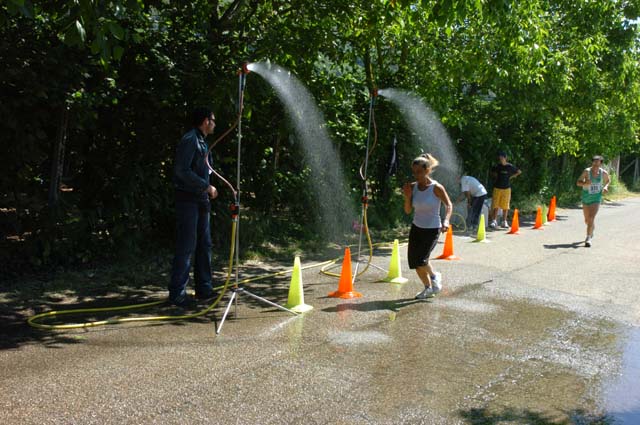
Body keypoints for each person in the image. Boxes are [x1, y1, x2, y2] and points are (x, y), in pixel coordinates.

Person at [168, 107, 219, 307]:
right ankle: (177, 294)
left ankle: (204, 289)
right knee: (187, 245)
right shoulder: (190, 140)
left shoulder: (202, 141)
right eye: (213, 120)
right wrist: (205, 186)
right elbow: (182, 170)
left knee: (204, 245)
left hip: (200, 201)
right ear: (206, 121)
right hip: (188, 200)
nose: (215, 124)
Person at [402, 154, 453, 299]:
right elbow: (407, 210)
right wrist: (407, 196)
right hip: (416, 227)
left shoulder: (436, 188)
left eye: (419, 172)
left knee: (422, 260)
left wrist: (446, 221)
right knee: (414, 262)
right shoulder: (413, 187)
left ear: (427, 170)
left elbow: (448, 205)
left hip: (432, 228)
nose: (416, 175)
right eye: (414, 172)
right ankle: (428, 287)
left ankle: (434, 276)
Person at [576, 155, 610, 247]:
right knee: (587, 220)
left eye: (597, 163)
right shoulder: (587, 171)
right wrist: (585, 183)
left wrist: (605, 187)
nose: (595, 164)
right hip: (586, 198)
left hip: (596, 198)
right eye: (594, 162)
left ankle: (588, 238)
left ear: (601, 164)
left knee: (591, 217)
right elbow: (578, 182)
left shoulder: (603, 173)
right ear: (592, 162)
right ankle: (592, 229)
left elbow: (607, 181)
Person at [488, 151, 521, 229]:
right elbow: (492, 172)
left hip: (506, 188)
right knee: (495, 205)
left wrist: (512, 177)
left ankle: (504, 222)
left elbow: (519, 172)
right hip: (497, 187)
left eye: (502, 157)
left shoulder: (510, 166)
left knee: (505, 206)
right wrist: (496, 177)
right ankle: (494, 221)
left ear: (505, 158)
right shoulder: (498, 166)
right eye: (500, 157)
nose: (501, 159)